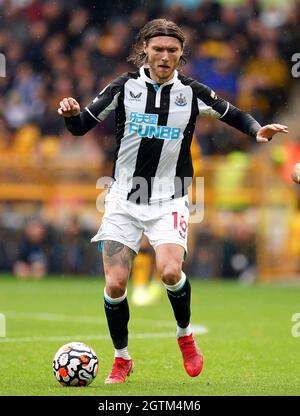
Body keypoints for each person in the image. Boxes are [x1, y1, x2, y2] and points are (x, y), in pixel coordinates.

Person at [58, 18, 288, 384]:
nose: (165, 56)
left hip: (169, 197)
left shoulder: (191, 92)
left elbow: (233, 113)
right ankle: (122, 358)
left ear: (181, 55)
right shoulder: (123, 87)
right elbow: (80, 126)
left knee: (169, 271)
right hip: (123, 197)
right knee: (116, 284)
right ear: (144, 51)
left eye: (172, 51)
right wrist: (71, 114)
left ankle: (184, 335)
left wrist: (257, 129)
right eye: (158, 49)